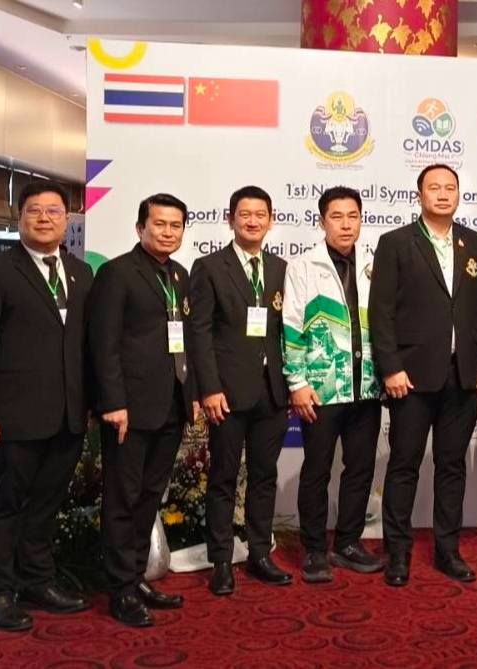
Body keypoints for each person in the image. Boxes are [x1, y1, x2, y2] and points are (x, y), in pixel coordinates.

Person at [0, 181, 93, 631]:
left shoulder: (81, 273)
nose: (44, 218)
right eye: (34, 210)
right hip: (14, 417)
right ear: (18, 218)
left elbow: (86, 346)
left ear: (67, 220)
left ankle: (37, 580)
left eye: (53, 211)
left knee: (46, 504)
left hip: (68, 415)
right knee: (6, 504)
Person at [369, 163, 477, 587]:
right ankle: (398, 553)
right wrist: (391, 367)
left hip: (462, 375)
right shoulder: (395, 243)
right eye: (434, 188)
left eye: (450, 188)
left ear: (459, 194)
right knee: (404, 465)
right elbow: (381, 313)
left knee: (451, 466)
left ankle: (448, 550)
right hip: (410, 377)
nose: (443, 194)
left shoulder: (474, 243)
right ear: (420, 195)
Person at [88, 194, 198, 626]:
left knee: (150, 497)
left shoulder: (180, 275)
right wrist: (113, 402)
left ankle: (136, 578)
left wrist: (190, 394)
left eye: (176, 225)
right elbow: (104, 345)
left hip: (170, 405)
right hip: (128, 410)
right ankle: (120, 590)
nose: (168, 232)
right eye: (160, 224)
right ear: (140, 228)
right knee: (123, 499)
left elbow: (185, 341)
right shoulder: (117, 273)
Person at [189, 185, 291, 594]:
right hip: (227, 394)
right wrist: (209, 388)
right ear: (230, 219)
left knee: (265, 476)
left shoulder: (281, 268)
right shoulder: (209, 267)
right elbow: (199, 332)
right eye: (244, 214)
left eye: (260, 214)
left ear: (271, 220)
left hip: (273, 392)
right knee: (224, 478)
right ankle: (221, 561)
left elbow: (287, 331)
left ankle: (260, 554)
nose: (252, 221)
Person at [283, 186, 384, 583]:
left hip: (367, 387)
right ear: (322, 221)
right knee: (317, 470)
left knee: (359, 469)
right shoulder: (303, 266)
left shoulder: (375, 264)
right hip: (321, 388)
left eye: (352, 216)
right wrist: (297, 382)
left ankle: (348, 543)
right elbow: (291, 326)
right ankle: (313, 550)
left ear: (361, 219)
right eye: (337, 217)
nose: (346, 224)